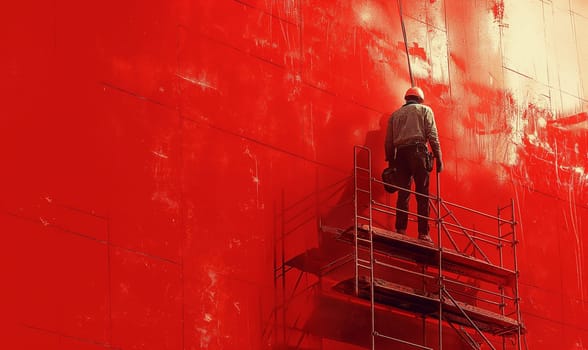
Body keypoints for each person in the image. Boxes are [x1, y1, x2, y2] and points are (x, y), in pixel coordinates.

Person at [384, 87, 442, 242]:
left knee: (403, 194)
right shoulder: (425, 110)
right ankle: (423, 233)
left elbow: (389, 142)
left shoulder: (395, 115)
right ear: (419, 99)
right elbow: (432, 136)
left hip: (400, 155)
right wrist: (439, 157)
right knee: (422, 194)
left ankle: (400, 229)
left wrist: (391, 162)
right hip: (418, 152)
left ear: (407, 98)